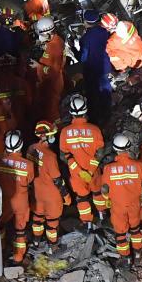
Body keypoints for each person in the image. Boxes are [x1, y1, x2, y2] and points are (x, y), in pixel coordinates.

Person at [99, 133, 142, 266]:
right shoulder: (138, 165)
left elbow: (104, 188)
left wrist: (107, 198)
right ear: (128, 148)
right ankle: (137, 254)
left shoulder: (109, 168)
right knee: (135, 229)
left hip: (118, 206)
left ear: (115, 149)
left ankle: (125, 258)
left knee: (120, 233)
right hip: (134, 204)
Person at [60, 94, 105, 227]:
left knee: (82, 198)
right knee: (97, 193)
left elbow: (64, 155)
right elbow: (100, 152)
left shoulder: (65, 132)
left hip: (76, 174)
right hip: (94, 172)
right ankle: (103, 216)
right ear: (86, 111)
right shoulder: (94, 129)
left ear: (71, 113)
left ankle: (87, 223)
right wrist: (90, 171)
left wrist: (78, 171)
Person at [27, 121, 70, 250]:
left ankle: (36, 242)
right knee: (52, 223)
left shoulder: (30, 149)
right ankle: (53, 246)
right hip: (51, 195)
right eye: (52, 134)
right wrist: (66, 195)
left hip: (36, 192)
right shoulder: (50, 156)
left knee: (37, 219)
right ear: (46, 136)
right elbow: (57, 180)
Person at [0, 131, 33, 264]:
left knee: (0, 225)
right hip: (21, 200)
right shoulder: (28, 164)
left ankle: (1, 250)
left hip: (5, 200)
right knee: (20, 230)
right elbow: (30, 179)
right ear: (21, 145)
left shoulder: (0, 161)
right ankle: (18, 256)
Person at [29, 17, 65, 123]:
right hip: (51, 81)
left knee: (51, 112)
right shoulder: (56, 40)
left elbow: (53, 72)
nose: (41, 37)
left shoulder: (54, 46)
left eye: (42, 34)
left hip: (52, 84)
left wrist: (38, 66)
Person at [79, 9, 111, 122]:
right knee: (106, 90)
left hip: (92, 69)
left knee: (93, 94)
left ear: (86, 22)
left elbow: (83, 57)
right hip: (105, 66)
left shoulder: (85, 39)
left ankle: (95, 117)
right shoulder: (104, 32)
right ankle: (108, 112)